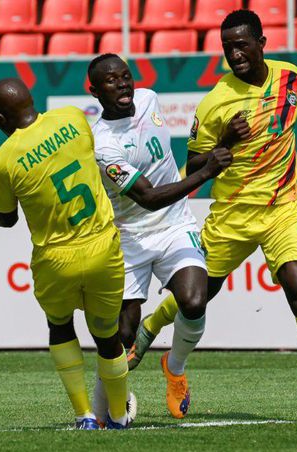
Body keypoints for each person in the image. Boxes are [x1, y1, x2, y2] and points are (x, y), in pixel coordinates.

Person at [130, 9, 297, 423]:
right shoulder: (214, 104)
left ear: (261, 44)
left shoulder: (291, 77)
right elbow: (192, 169)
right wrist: (224, 141)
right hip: (231, 216)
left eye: (242, 45)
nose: (235, 54)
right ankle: (155, 325)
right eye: (227, 47)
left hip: (283, 209)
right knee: (197, 297)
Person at [0, 78, 131, 430]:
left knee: (60, 326)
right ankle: (118, 416)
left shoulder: (1, 161)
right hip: (102, 246)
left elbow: (8, 218)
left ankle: (85, 415)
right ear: (31, 99)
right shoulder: (72, 118)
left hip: (55, 259)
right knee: (107, 336)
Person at [86, 54, 232, 419]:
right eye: (111, 80)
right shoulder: (103, 145)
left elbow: (169, 158)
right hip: (129, 237)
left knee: (195, 300)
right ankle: (109, 406)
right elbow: (148, 198)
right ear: (94, 91)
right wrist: (206, 172)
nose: (122, 84)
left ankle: (175, 369)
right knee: (122, 335)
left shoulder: (150, 99)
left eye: (125, 76)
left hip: (174, 225)